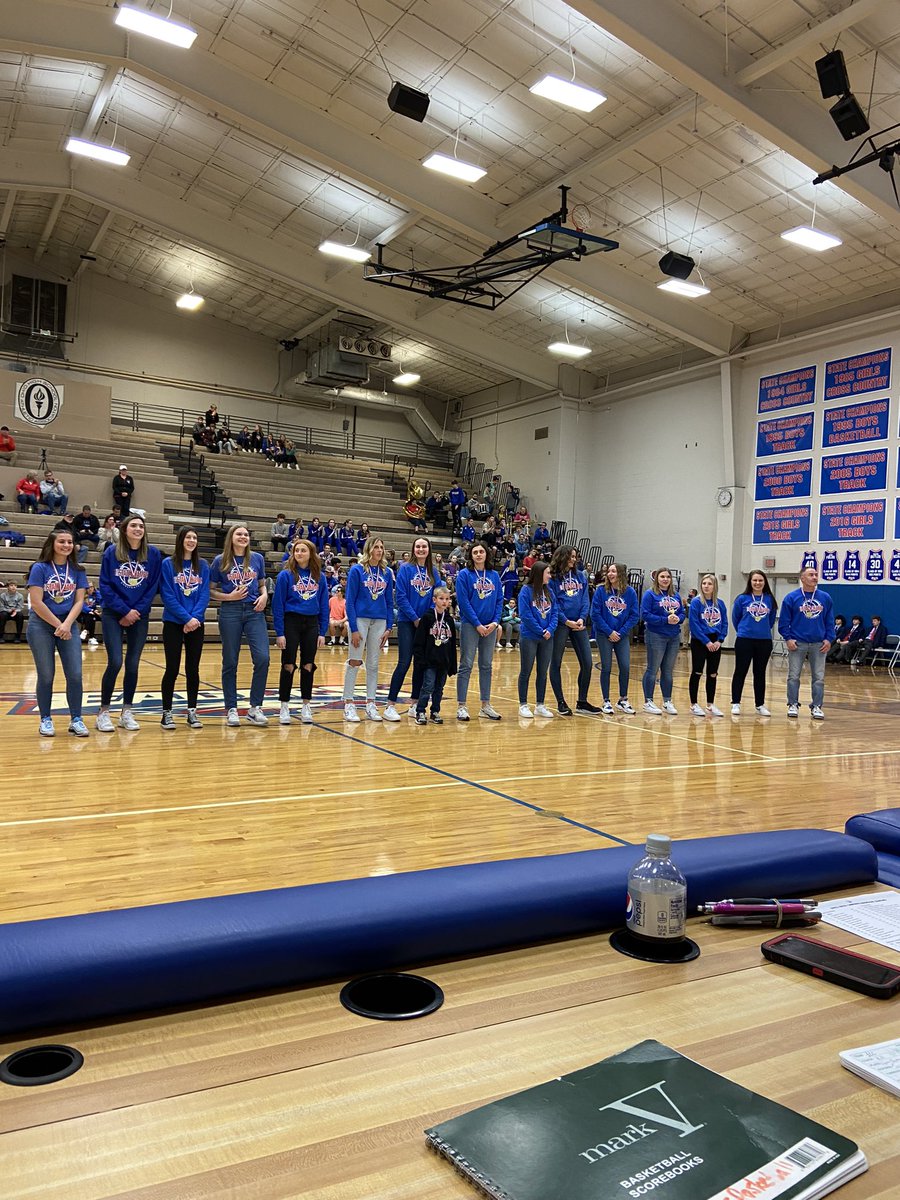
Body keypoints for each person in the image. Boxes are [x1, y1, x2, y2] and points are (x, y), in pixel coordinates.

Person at [97, 514, 163, 732]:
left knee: (133, 664)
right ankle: (104, 712)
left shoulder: (152, 554)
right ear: (124, 530)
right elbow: (105, 586)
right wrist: (125, 610)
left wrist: (136, 612)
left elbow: (152, 586)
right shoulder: (111, 552)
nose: (138, 529)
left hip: (140, 614)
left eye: (141, 526)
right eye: (133, 525)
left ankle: (127, 711)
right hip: (113, 614)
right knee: (115, 662)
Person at [26, 529, 89, 737]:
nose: (66, 545)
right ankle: (45, 718)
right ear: (52, 544)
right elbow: (36, 602)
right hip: (42, 625)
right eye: (62, 541)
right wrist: (57, 625)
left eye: (70, 542)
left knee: (76, 675)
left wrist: (67, 624)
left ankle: (76, 719)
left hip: (68, 625)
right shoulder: (39, 568)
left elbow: (80, 601)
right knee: (46, 675)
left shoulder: (78, 570)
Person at [210, 523, 270, 727]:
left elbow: (262, 585)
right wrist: (228, 596)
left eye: (246, 534)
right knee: (230, 661)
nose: (243, 537)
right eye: (239, 534)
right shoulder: (220, 560)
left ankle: (255, 708)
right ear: (231, 537)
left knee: (263, 657)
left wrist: (264, 597)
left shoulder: (257, 559)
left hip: (254, 611)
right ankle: (232, 708)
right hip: (230, 611)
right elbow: (210, 591)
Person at [273, 539, 330, 725]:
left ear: (311, 553)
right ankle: (284, 705)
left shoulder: (319, 577)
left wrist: (322, 632)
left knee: (308, 664)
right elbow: (278, 605)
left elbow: (323, 605)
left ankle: (306, 704)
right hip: (291, 622)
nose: (299, 553)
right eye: (296, 550)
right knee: (288, 664)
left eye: (303, 550)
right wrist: (279, 632)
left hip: (312, 624)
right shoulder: (285, 575)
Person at [159, 526, 210, 730]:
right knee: (172, 668)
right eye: (188, 537)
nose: (191, 540)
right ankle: (167, 713)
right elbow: (167, 595)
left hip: (196, 623)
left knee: (193, 669)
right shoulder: (168, 564)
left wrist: (195, 618)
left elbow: (204, 593)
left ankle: (192, 711)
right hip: (173, 622)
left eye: (194, 537)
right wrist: (185, 618)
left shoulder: (203, 565)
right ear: (180, 540)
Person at [385, 537, 442, 721]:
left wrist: (427, 619)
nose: (421, 549)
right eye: (418, 546)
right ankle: (390, 705)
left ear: (429, 549)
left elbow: (438, 596)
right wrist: (415, 618)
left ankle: (415, 703)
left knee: (420, 663)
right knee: (404, 662)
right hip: (407, 622)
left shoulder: (434, 572)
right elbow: (400, 597)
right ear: (413, 548)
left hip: (425, 624)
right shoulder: (405, 569)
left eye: (424, 546)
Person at [343, 536, 394, 722]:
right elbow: (350, 601)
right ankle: (348, 703)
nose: (379, 550)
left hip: (380, 621)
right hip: (361, 620)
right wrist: (354, 628)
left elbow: (389, 601)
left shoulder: (387, 572)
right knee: (355, 660)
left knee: (373, 663)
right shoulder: (357, 570)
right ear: (369, 549)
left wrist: (389, 626)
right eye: (376, 547)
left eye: (382, 547)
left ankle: (370, 703)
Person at [778, 565, 835, 720]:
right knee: (794, 676)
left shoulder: (825, 597)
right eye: (811, 575)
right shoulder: (791, 597)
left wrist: (829, 639)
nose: (815, 577)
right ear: (802, 578)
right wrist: (788, 638)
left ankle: (816, 706)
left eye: (816, 574)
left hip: (819, 644)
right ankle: (793, 704)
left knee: (819, 677)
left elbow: (830, 621)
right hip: (798, 643)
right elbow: (783, 622)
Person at [455, 541, 503, 721]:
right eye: (475, 552)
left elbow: (499, 600)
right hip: (470, 625)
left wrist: (495, 622)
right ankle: (461, 705)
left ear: (486, 554)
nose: (478, 554)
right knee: (466, 664)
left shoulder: (494, 576)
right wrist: (477, 624)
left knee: (486, 665)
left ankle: (485, 705)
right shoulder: (464, 575)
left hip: (490, 626)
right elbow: (463, 602)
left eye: (481, 551)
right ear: (471, 555)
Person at [547, 545, 597, 716]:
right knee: (556, 663)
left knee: (587, 663)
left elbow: (584, 599)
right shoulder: (553, 578)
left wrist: (582, 618)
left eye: (575, 557)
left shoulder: (580, 575)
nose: (573, 559)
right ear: (562, 556)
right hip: (561, 625)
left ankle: (582, 702)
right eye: (570, 556)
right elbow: (553, 603)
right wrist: (566, 621)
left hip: (579, 624)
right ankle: (561, 701)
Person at [591, 562, 639, 715]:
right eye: (609, 571)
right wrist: (609, 631)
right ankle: (606, 701)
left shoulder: (630, 592)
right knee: (606, 666)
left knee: (625, 666)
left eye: (613, 571)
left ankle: (623, 699)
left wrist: (621, 632)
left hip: (621, 634)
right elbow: (595, 614)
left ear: (621, 574)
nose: (610, 574)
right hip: (604, 634)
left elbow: (634, 615)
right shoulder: (601, 591)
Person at [730, 570, 778, 716]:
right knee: (740, 671)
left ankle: (760, 704)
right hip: (744, 640)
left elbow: (771, 620)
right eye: (755, 580)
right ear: (750, 582)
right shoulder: (742, 599)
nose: (757, 583)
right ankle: (736, 703)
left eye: (760, 580)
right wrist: (745, 630)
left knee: (760, 673)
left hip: (764, 641)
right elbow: (735, 618)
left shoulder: (770, 599)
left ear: (765, 582)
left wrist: (760, 630)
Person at [640, 567, 685, 714]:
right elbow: (645, 615)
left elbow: (682, 613)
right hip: (656, 635)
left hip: (673, 636)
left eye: (668, 577)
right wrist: (664, 620)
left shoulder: (676, 595)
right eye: (662, 577)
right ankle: (648, 701)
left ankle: (667, 701)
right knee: (652, 669)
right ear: (656, 579)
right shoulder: (650, 594)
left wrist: (678, 619)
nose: (665, 579)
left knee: (667, 671)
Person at [517, 561, 558, 718]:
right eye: (547, 573)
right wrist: (541, 630)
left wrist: (550, 629)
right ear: (540, 573)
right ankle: (523, 704)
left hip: (547, 637)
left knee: (542, 672)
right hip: (530, 637)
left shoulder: (549, 592)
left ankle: (540, 704)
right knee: (526, 671)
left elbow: (554, 612)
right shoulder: (526, 592)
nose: (550, 575)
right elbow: (525, 615)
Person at [412, 586, 458, 724]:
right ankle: (420, 711)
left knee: (439, 688)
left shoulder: (449, 620)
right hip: (429, 661)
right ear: (434, 600)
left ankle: (435, 711)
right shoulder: (427, 618)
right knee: (427, 686)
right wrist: (420, 660)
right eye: (441, 599)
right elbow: (419, 641)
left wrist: (452, 664)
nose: (444, 602)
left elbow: (452, 644)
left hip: (444, 661)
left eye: (447, 599)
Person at [688, 574, 729, 717]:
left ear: (714, 586)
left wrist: (720, 640)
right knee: (697, 671)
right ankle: (693, 704)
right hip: (700, 641)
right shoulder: (696, 602)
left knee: (712, 673)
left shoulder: (720, 604)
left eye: (709, 584)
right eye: (704, 583)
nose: (706, 586)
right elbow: (694, 624)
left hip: (715, 641)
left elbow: (724, 623)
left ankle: (710, 705)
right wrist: (707, 642)